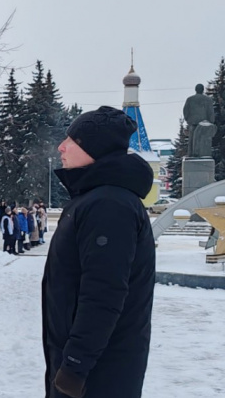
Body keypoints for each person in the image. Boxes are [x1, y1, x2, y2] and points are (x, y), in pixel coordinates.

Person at [43, 105, 155, 398]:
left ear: (96, 150)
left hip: (100, 373)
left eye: (73, 141)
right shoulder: (96, 198)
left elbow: (103, 293)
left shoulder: (109, 205)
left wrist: (76, 364)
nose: (62, 147)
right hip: (91, 365)